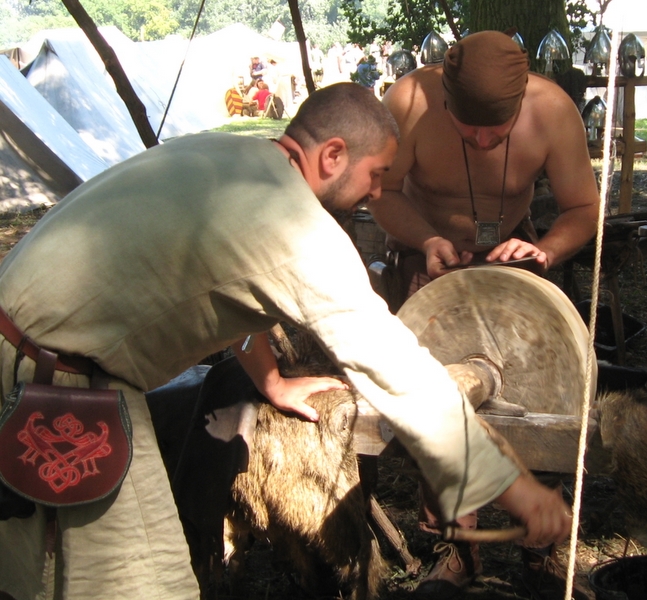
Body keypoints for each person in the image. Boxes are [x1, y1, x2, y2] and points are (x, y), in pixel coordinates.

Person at [0, 82, 571, 600]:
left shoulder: (224, 157)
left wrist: (270, 380)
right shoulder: (295, 227)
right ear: (332, 156)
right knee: (137, 587)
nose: (378, 191)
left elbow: (224, 282)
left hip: (30, 353)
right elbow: (397, 370)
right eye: (377, 173)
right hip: (54, 388)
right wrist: (516, 490)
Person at [371, 30, 601, 598]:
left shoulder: (552, 111)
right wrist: (425, 239)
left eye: (492, 131)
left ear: (521, 101)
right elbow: (382, 191)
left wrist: (545, 249)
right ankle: (459, 545)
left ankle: (537, 543)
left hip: (512, 267)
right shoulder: (410, 102)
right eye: (465, 125)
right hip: (426, 263)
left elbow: (583, 206)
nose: (477, 139)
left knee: (540, 395)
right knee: (432, 401)